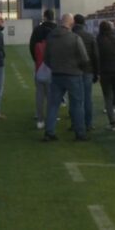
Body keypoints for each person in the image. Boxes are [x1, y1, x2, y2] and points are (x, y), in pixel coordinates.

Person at [42, 12, 89, 142]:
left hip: (56, 74)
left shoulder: (51, 38)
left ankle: (49, 132)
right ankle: (80, 133)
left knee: (53, 105)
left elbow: (46, 58)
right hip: (73, 74)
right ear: (71, 23)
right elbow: (84, 58)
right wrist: (77, 67)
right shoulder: (75, 38)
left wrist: (55, 67)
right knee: (77, 104)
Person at [96, 20, 115, 131]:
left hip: (105, 72)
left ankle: (112, 122)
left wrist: (97, 72)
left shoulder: (98, 41)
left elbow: (97, 58)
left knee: (108, 97)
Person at [29, 9, 57, 129]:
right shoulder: (57, 29)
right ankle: (52, 117)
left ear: (44, 17)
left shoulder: (37, 30)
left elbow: (31, 46)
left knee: (40, 94)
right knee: (53, 94)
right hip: (54, 66)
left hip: (40, 65)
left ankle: (40, 119)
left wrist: (37, 60)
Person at [72, 14, 100, 133]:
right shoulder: (90, 36)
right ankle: (88, 123)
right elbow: (95, 55)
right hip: (88, 70)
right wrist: (97, 73)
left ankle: (76, 123)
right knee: (87, 98)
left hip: (73, 71)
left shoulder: (71, 36)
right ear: (84, 24)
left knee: (75, 99)